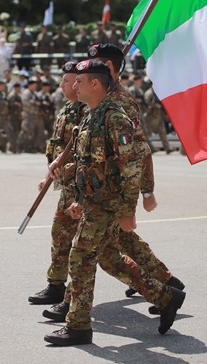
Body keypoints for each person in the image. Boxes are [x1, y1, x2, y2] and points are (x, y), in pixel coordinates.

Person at [43, 60, 185, 346]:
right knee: (107, 257)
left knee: (81, 257)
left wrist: (128, 212)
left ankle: (78, 325)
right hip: (94, 202)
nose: (74, 87)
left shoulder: (114, 118)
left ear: (95, 84)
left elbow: (130, 167)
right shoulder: (91, 116)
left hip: (108, 204)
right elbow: (89, 164)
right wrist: (79, 198)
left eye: (79, 82)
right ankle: (164, 296)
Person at [28, 62, 86, 305]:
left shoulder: (85, 111)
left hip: (82, 183)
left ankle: (160, 285)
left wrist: (62, 171)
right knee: (61, 233)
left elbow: (82, 150)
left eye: (67, 80)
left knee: (110, 247)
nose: (62, 85)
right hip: (67, 181)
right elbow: (58, 147)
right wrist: (48, 174)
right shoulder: (66, 109)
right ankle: (56, 285)